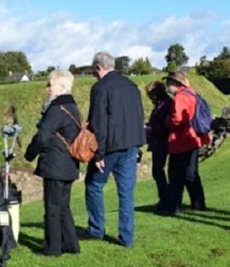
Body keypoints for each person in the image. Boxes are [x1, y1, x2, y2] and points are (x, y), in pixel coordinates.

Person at [77, 51, 146, 248]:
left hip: (110, 147)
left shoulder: (101, 88)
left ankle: (96, 229)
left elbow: (99, 121)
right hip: (130, 145)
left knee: (94, 185)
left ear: (98, 67)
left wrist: (99, 153)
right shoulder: (131, 86)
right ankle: (127, 238)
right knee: (126, 192)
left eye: (94, 71)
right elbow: (139, 115)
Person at [25, 70, 81, 256]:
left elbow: (43, 135)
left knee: (52, 208)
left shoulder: (56, 109)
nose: (47, 88)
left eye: (50, 84)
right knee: (63, 206)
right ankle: (71, 244)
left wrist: (29, 154)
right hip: (69, 163)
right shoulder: (73, 107)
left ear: (61, 87)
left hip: (55, 163)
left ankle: (53, 248)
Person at [160, 72, 211, 215]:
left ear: (174, 83)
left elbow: (178, 119)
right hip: (194, 137)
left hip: (181, 140)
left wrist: (168, 121)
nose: (167, 86)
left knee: (175, 175)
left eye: (169, 82)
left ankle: (174, 207)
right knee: (191, 173)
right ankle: (198, 203)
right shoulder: (192, 93)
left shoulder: (180, 97)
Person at [144, 81, 173, 211]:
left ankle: (165, 199)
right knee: (158, 171)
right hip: (159, 141)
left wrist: (148, 129)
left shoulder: (165, 105)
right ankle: (165, 198)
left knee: (158, 171)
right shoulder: (162, 104)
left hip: (162, 141)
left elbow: (164, 126)